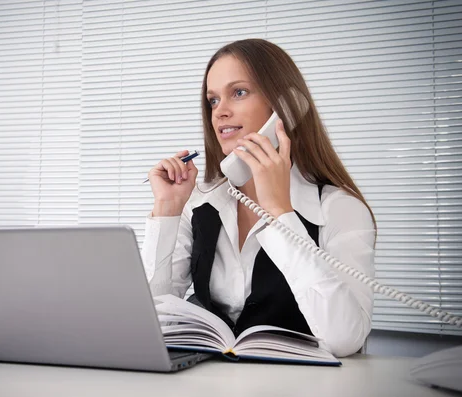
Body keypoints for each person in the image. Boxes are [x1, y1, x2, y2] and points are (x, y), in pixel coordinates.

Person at [141, 39, 377, 358]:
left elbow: (344, 340)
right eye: (212, 100)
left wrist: (281, 214)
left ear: (287, 108)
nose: (220, 112)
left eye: (238, 92)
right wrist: (167, 211)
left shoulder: (339, 209)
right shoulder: (199, 204)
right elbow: (150, 323)